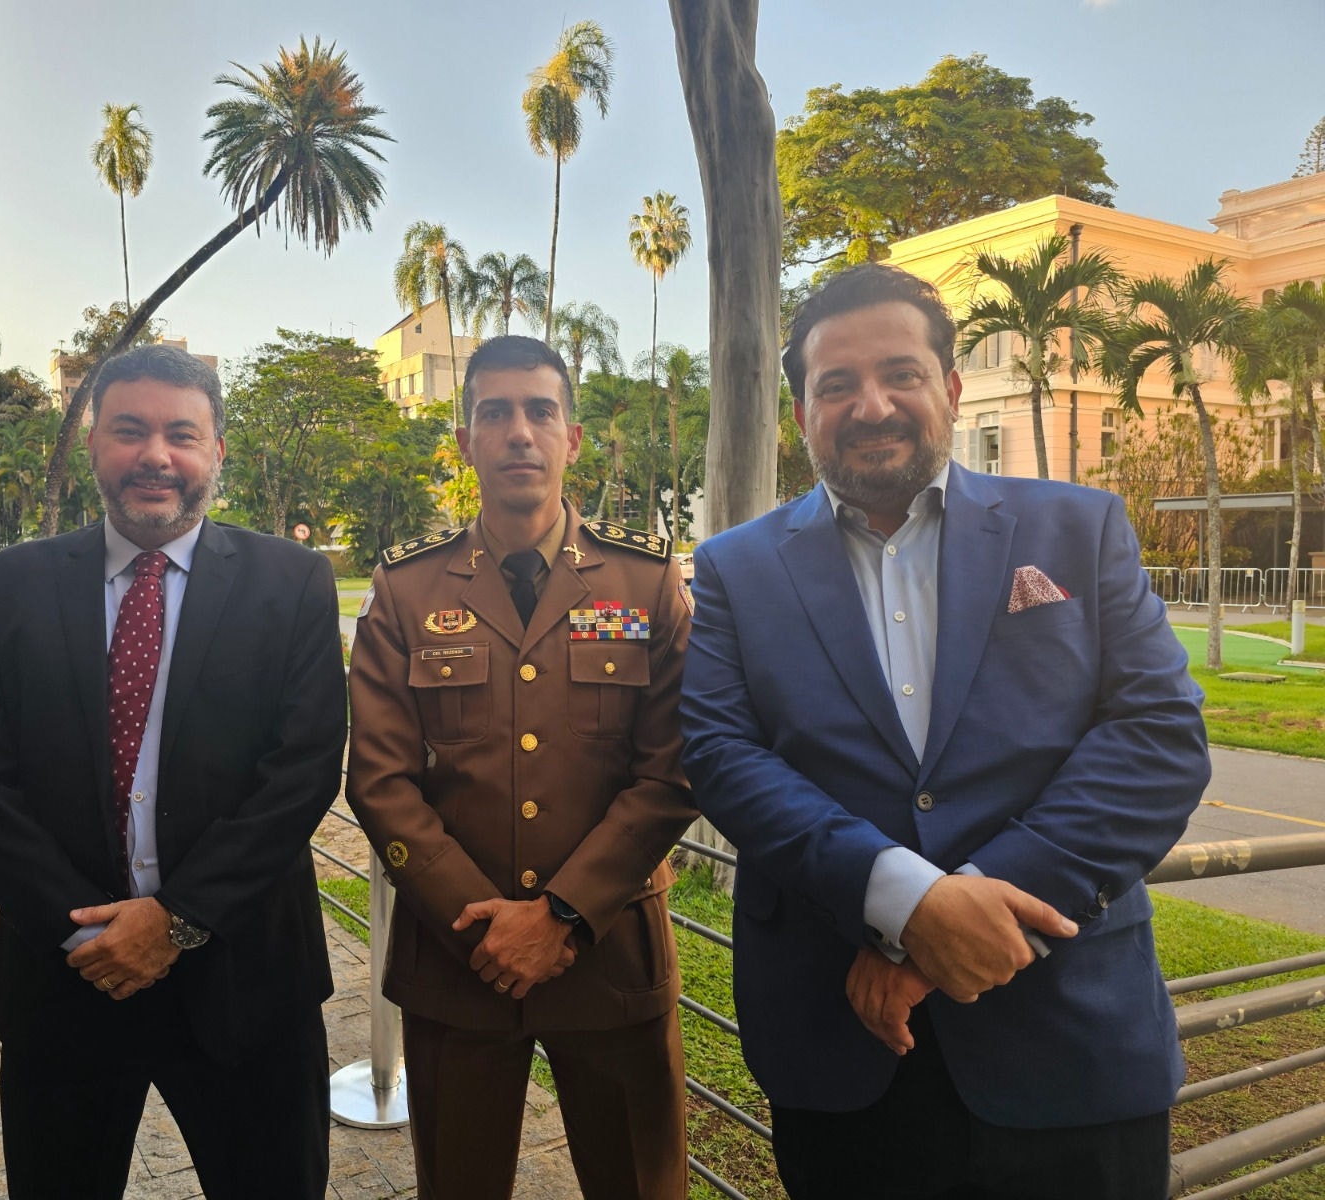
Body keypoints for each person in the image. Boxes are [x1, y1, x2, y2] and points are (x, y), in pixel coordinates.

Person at [680, 264, 1210, 1200]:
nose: (871, 404)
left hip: (1068, 1037)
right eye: (835, 384)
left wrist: (948, 921)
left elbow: (1157, 736)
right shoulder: (735, 569)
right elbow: (724, 756)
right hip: (840, 1046)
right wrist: (906, 904)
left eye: (901, 373)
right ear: (800, 410)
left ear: (952, 389)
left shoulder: (1078, 528)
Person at [0, 344, 346, 1200]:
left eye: (181, 434)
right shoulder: (6, 588)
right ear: (93, 443)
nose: (156, 455)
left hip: (246, 984)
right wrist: (86, 932)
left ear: (215, 452)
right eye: (129, 430)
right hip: (68, 983)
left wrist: (179, 921)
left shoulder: (295, 584)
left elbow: (302, 773)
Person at [347, 335, 696, 1199]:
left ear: (571, 439)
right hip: (458, 970)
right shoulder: (406, 592)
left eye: (540, 411)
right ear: (466, 441)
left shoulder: (646, 584)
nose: (518, 433)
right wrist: (489, 929)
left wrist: (563, 918)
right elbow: (381, 782)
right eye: (494, 413)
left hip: (609, 962)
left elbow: (675, 772)